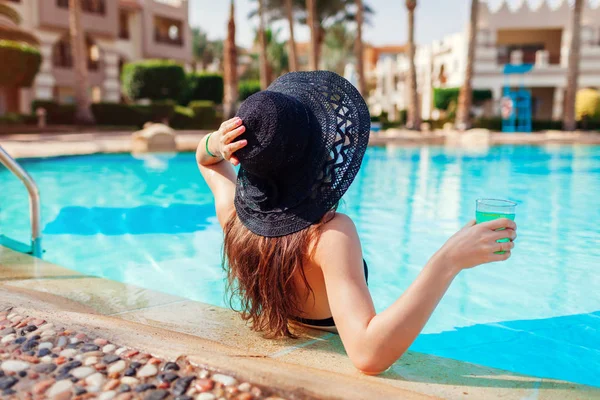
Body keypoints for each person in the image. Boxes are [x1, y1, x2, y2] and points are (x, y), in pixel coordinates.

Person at [196, 71, 517, 374]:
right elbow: (368, 355)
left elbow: (205, 159)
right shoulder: (327, 236)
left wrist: (217, 142)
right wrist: (448, 260)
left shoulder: (233, 216)